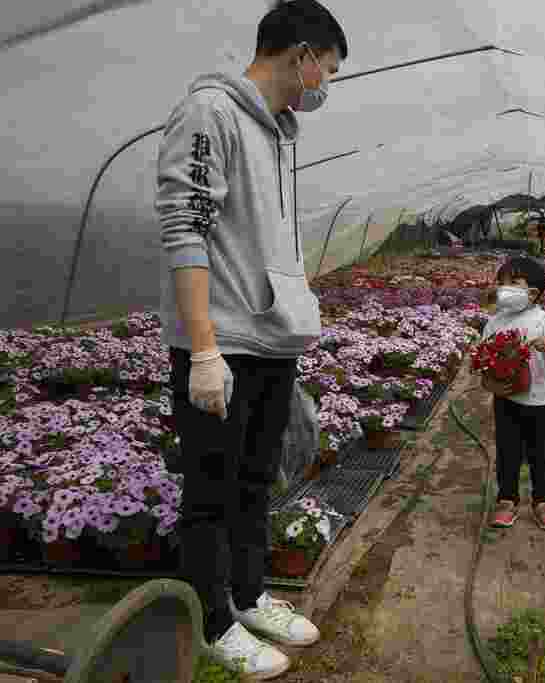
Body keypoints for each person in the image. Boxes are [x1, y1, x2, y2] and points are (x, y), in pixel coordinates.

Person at [156, 1, 347, 677]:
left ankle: (248, 594)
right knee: (210, 489)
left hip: (269, 343)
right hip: (223, 344)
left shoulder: (279, 130)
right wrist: (203, 348)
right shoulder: (211, 112)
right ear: (299, 55)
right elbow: (186, 227)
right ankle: (210, 623)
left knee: (254, 480)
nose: (325, 83)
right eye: (326, 68)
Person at [480, 257, 545, 531]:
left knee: (541, 454)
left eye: (513, 283)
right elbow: (482, 358)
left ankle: (543, 501)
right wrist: (490, 384)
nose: (503, 289)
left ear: (533, 293)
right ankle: (507, 500)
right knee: (507, 451)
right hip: (506, 399)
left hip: (540, 401)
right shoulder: (494, 322)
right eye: (501, 283)